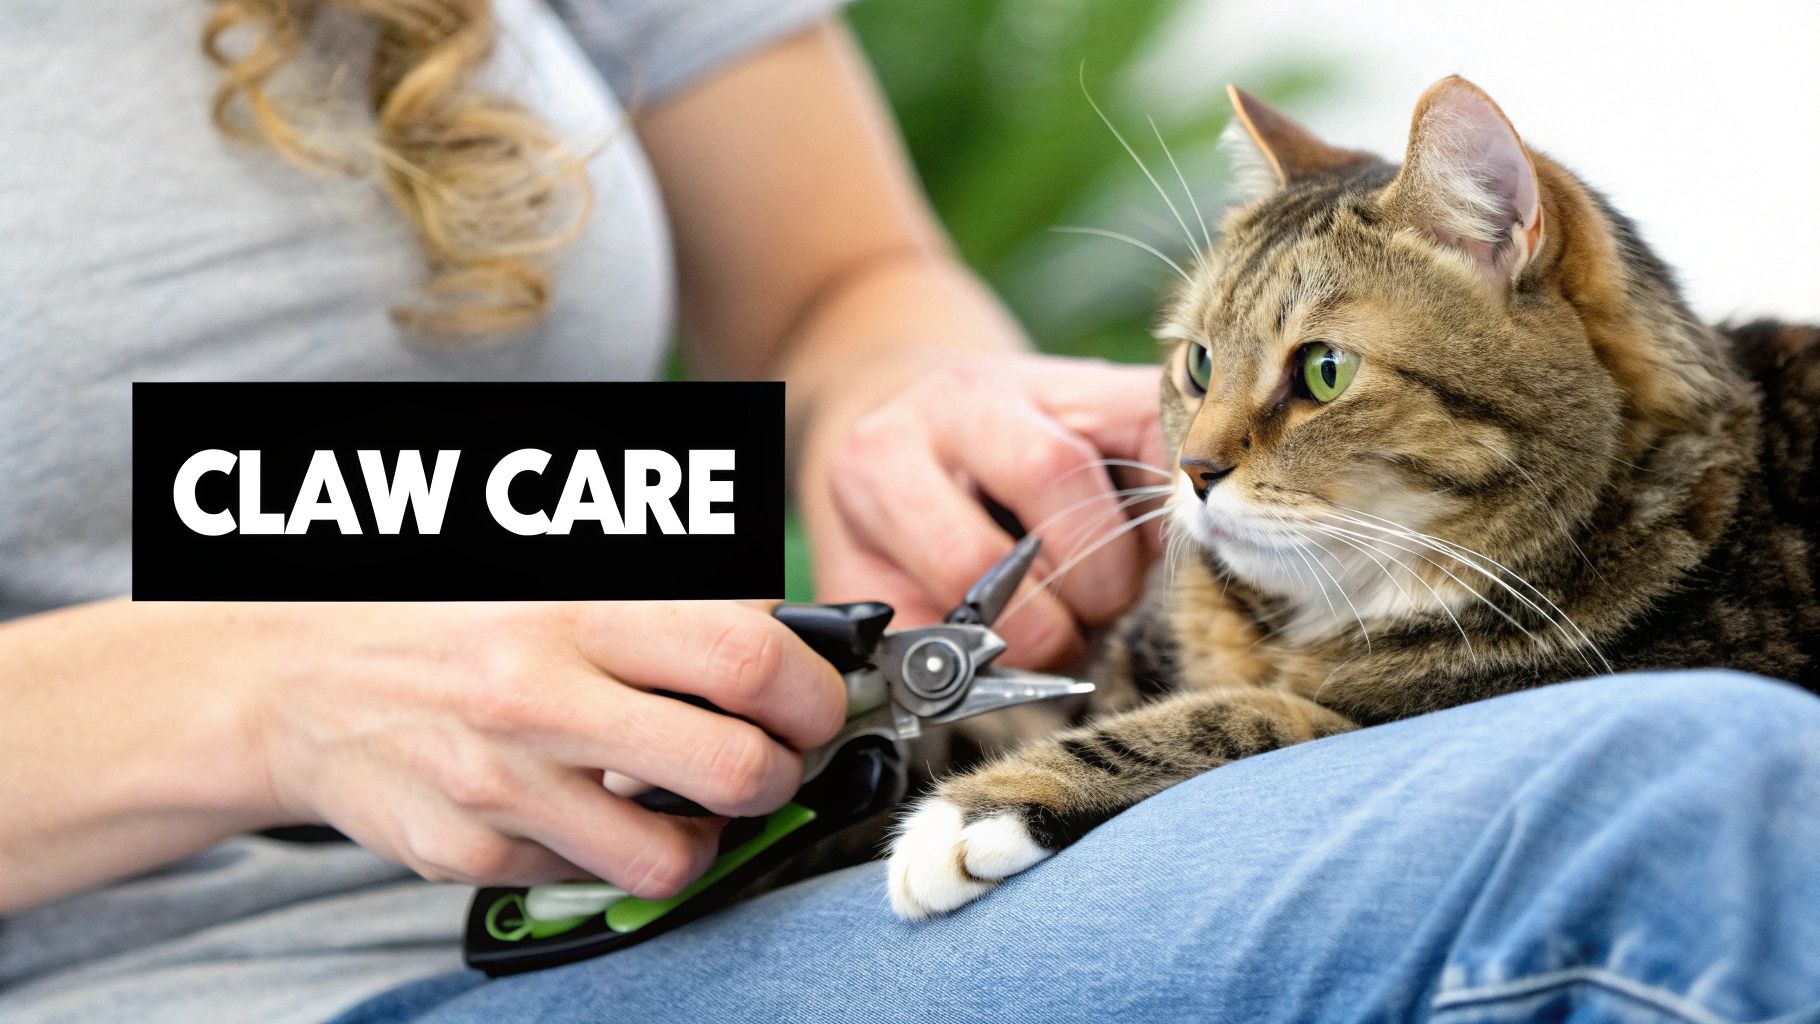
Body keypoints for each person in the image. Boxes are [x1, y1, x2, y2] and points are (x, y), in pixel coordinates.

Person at [2, 3, 1816, 1023]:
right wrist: (267, 694)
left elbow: (835, 278)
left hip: (716, 904)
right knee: (1685, 814)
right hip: (198, 987)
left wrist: (908, 417)